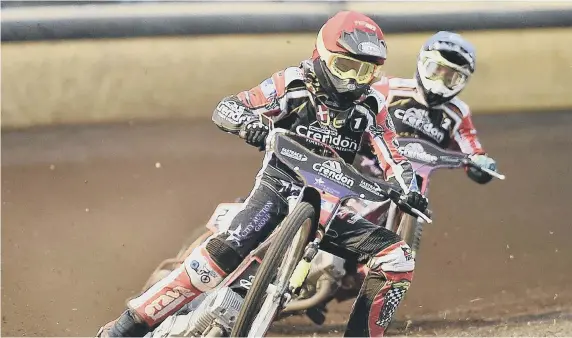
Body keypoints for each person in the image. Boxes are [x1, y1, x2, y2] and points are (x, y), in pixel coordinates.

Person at [97, 11, 428, 337]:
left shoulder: (370, 105)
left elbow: (393, 154)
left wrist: (407, 188)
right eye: (345, 67)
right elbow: (229, 106)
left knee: (397, 258)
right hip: (278, 190)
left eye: (365, 71)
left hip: (331, 205)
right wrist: (247, 123)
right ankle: (128, 326)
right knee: (217, 259)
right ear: (322, 56)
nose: (353, 81)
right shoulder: (292, 83)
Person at [358, 31, 497, 183]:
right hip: (364, 174)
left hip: (411, 191)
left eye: (451, 77)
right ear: (422, 62)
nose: (440, 82)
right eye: (435, 70)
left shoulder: (458, 113)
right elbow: (352, 110)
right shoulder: (389, 88)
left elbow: (472, 149)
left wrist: (482, 163)